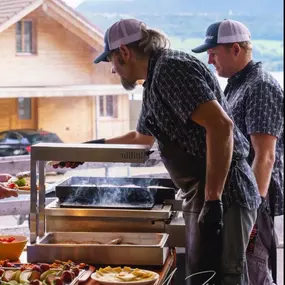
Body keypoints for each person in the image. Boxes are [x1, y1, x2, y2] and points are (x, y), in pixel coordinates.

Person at [55, 19, 261, 284]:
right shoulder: (153, 80)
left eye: (112, 62)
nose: (113, 71)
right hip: (203, 193)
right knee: (201, 275)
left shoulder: (171, 69)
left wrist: (213, 201)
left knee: (224, 277)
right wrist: (86, 150)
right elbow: (140, 138)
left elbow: (221, 125)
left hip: (226, 194)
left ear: (125, 52)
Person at [192, 19, 284, 285]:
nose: (210, 61)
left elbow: (265, 156)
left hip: (254, 204)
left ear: (235, 49)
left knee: (253, 273)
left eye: (213, 53)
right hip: (241, 201)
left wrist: (250, 216)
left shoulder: (261, 86)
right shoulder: (236, 83)